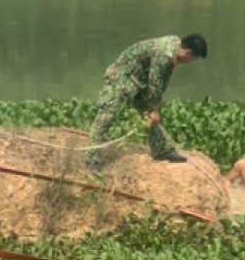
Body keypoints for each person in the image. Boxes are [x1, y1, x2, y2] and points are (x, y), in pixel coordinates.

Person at [85, 34, 207, 173]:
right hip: (120, 77)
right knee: (106, 117)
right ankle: (91, 161)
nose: (191, 62)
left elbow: (159, 83)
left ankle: (160, 150)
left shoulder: (175, 46)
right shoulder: (164, 54)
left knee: (150, 114)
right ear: (188, 52)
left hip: (139, 79)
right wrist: (154, 109)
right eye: (193, 58)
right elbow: (156, 83)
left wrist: (154, 108)